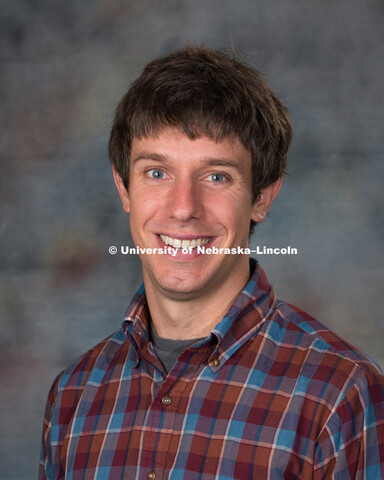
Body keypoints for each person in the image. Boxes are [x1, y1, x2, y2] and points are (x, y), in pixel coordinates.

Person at [39, 46, 384, 480]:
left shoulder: (339, 395)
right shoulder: (73, 397)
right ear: (124, 189)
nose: (183, 208)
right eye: (157, 173)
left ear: (262, 197)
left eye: (216, 176)